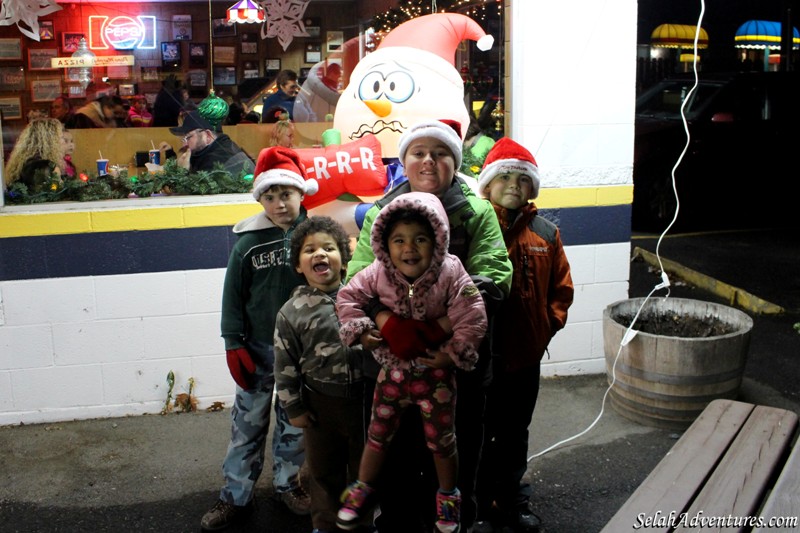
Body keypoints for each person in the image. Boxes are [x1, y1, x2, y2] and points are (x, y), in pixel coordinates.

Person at [346, 119, 512, 532]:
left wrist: (443, 333)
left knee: (456, 450)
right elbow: (359, 276)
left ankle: (455, 519)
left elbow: (493, 275)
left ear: (453, 162)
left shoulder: (475, 211)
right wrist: (383, 323)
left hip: (454, 366)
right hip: (391, 365)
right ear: (405, 161)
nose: (428, 161)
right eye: (418, 153)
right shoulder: (384, 213)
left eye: (439, 153)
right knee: (395, 457)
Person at [337, 191, 488, 533]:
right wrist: (361, 330)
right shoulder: (377, 273)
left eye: (420, 239)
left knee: (442, 441)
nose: (409, 249)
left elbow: (473, 313)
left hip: (436, 377)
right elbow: (347, 297)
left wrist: (453, 354)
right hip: (391, 374)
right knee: (377, 434)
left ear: (437, 240)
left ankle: (448, 497)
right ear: (384, 244)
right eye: (399, 240)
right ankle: (362, 487)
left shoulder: (451, 271)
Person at [201, 146, 321, 531]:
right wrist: (232, 342)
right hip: (256, 347)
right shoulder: (248, 243)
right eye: (270, 196)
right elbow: (232, 296)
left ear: (301, 194)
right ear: (261, 198)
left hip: (301, 352)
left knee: (293, 422)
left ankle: (288, 485)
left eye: (286, 194)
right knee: (247, 423)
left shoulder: (316, 237)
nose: (279, 203)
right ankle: (235, 495)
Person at [472, 138, 574, 533]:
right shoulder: (477, 228)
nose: (513, 185)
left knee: (514, 433)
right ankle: (478, 503)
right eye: (504, 177)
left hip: (524, 358)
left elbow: (561, 291)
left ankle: (510, 497)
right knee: (478, 430)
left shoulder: (546, 234)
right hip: (480, 358)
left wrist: (546, 328)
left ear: (532, 187)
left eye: (521, 179)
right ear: (488, 184)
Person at [273, 215, 372, 533]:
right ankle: (325, 523)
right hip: (319, 407)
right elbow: (284, 364)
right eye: (309, 250)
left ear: (344, 261)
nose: (320, 254)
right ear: (299, 265)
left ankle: (362, 521)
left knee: (365, 471)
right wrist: (294, 408)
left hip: (364, 404)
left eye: (329, 248)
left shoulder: (362, 301)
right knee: (323, 472)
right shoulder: (292, 312)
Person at [159, 111, 255, 176]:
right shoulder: (222, 147)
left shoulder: (215, 161)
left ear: (208, 136)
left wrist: (182, 171)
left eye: (188, 137)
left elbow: (193, 198)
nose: (184, 144)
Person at [3, 118, 65, 193]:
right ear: (51, 141)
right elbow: (51, 191)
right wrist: (59, 184)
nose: (63, 142)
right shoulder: (45, 166)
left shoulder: (24, 162)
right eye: (61, 137)